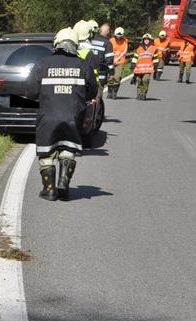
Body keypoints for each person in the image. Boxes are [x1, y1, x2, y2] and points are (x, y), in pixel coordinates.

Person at [27, 28, 98, 201]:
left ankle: (49, 190)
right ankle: (64, 184)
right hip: (73, 116)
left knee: (46, 152)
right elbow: (92, 91)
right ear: (75, 45)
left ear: (57, 43)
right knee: (68, 149)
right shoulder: (83, 65)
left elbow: (30, 91)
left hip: (47, 117)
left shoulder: (42, 64)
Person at [130, 34, 159, 100]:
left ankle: (143, 94)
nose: (146, 40)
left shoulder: (154, 49)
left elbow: (155, 59)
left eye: (148, 39)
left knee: (145, 80)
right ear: (143, 40)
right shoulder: (139, 48)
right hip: (139, 69)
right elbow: (135, 58)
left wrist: (155, 67)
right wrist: (132, 65)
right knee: (139, 81)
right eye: (145, 39)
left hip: (148, 69)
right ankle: (139, 94)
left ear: (150, 40)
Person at [89, 21, 114, 88]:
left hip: (90, 72)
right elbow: (109, 60)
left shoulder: (92, 40)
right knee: (99, 91)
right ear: (107, 31)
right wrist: (111, 73)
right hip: (101, 73)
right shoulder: (107, 43)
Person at [108, 27, 129, 98]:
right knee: (110, 77)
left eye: (120, 35)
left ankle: (115, 93)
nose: (119, 36)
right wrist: (112, 60)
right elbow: (108, 50)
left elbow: (124, 51)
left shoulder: (125, 41)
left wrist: (117, 58)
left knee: (117, 77)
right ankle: (109, 92)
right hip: (111, 61)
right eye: (117, 35)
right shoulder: (111, 40)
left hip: (120, 61)